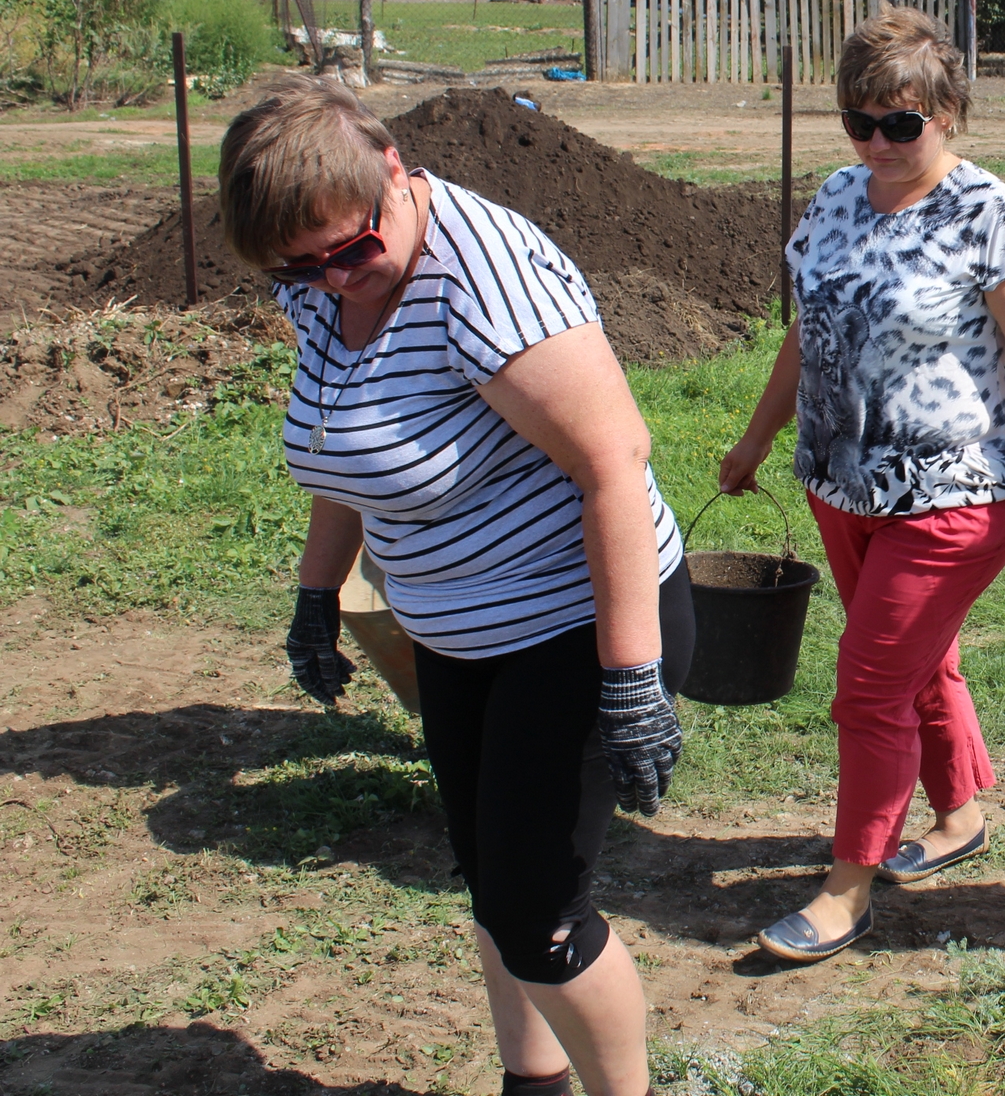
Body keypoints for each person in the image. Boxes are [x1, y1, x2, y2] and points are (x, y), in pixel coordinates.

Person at [219, 73, 690, 1096]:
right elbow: (349, 448)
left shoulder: (484, 279)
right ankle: (533, 1084)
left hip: (576, 626)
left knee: (540, 913)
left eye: (349, 251)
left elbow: (612, 463)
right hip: (457, 632)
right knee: (492, 884)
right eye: (300, 267)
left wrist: (630, 683)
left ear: (392, 168)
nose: (330, 281)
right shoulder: (322, 277)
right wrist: (316, 594)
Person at [719, 8, 1005, 963]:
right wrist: (757, 439)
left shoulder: (991, 216)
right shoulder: (837, 198)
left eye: (901, 123)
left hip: (954, 494)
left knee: (869, 686)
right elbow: (810, 330)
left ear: (949, 114)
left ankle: (849, 886)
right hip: (842, 485)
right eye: (860, 121)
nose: (878, 142)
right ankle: (960, 814)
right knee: (916, 661)